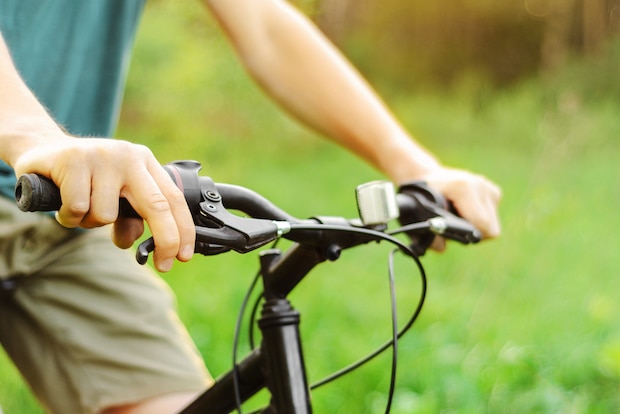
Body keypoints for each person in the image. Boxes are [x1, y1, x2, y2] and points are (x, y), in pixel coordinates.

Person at [0, 0, 501, 413]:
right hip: (47, 178)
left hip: (65, 221)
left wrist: (413, 163)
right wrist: (34, 137)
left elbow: (263, 23)